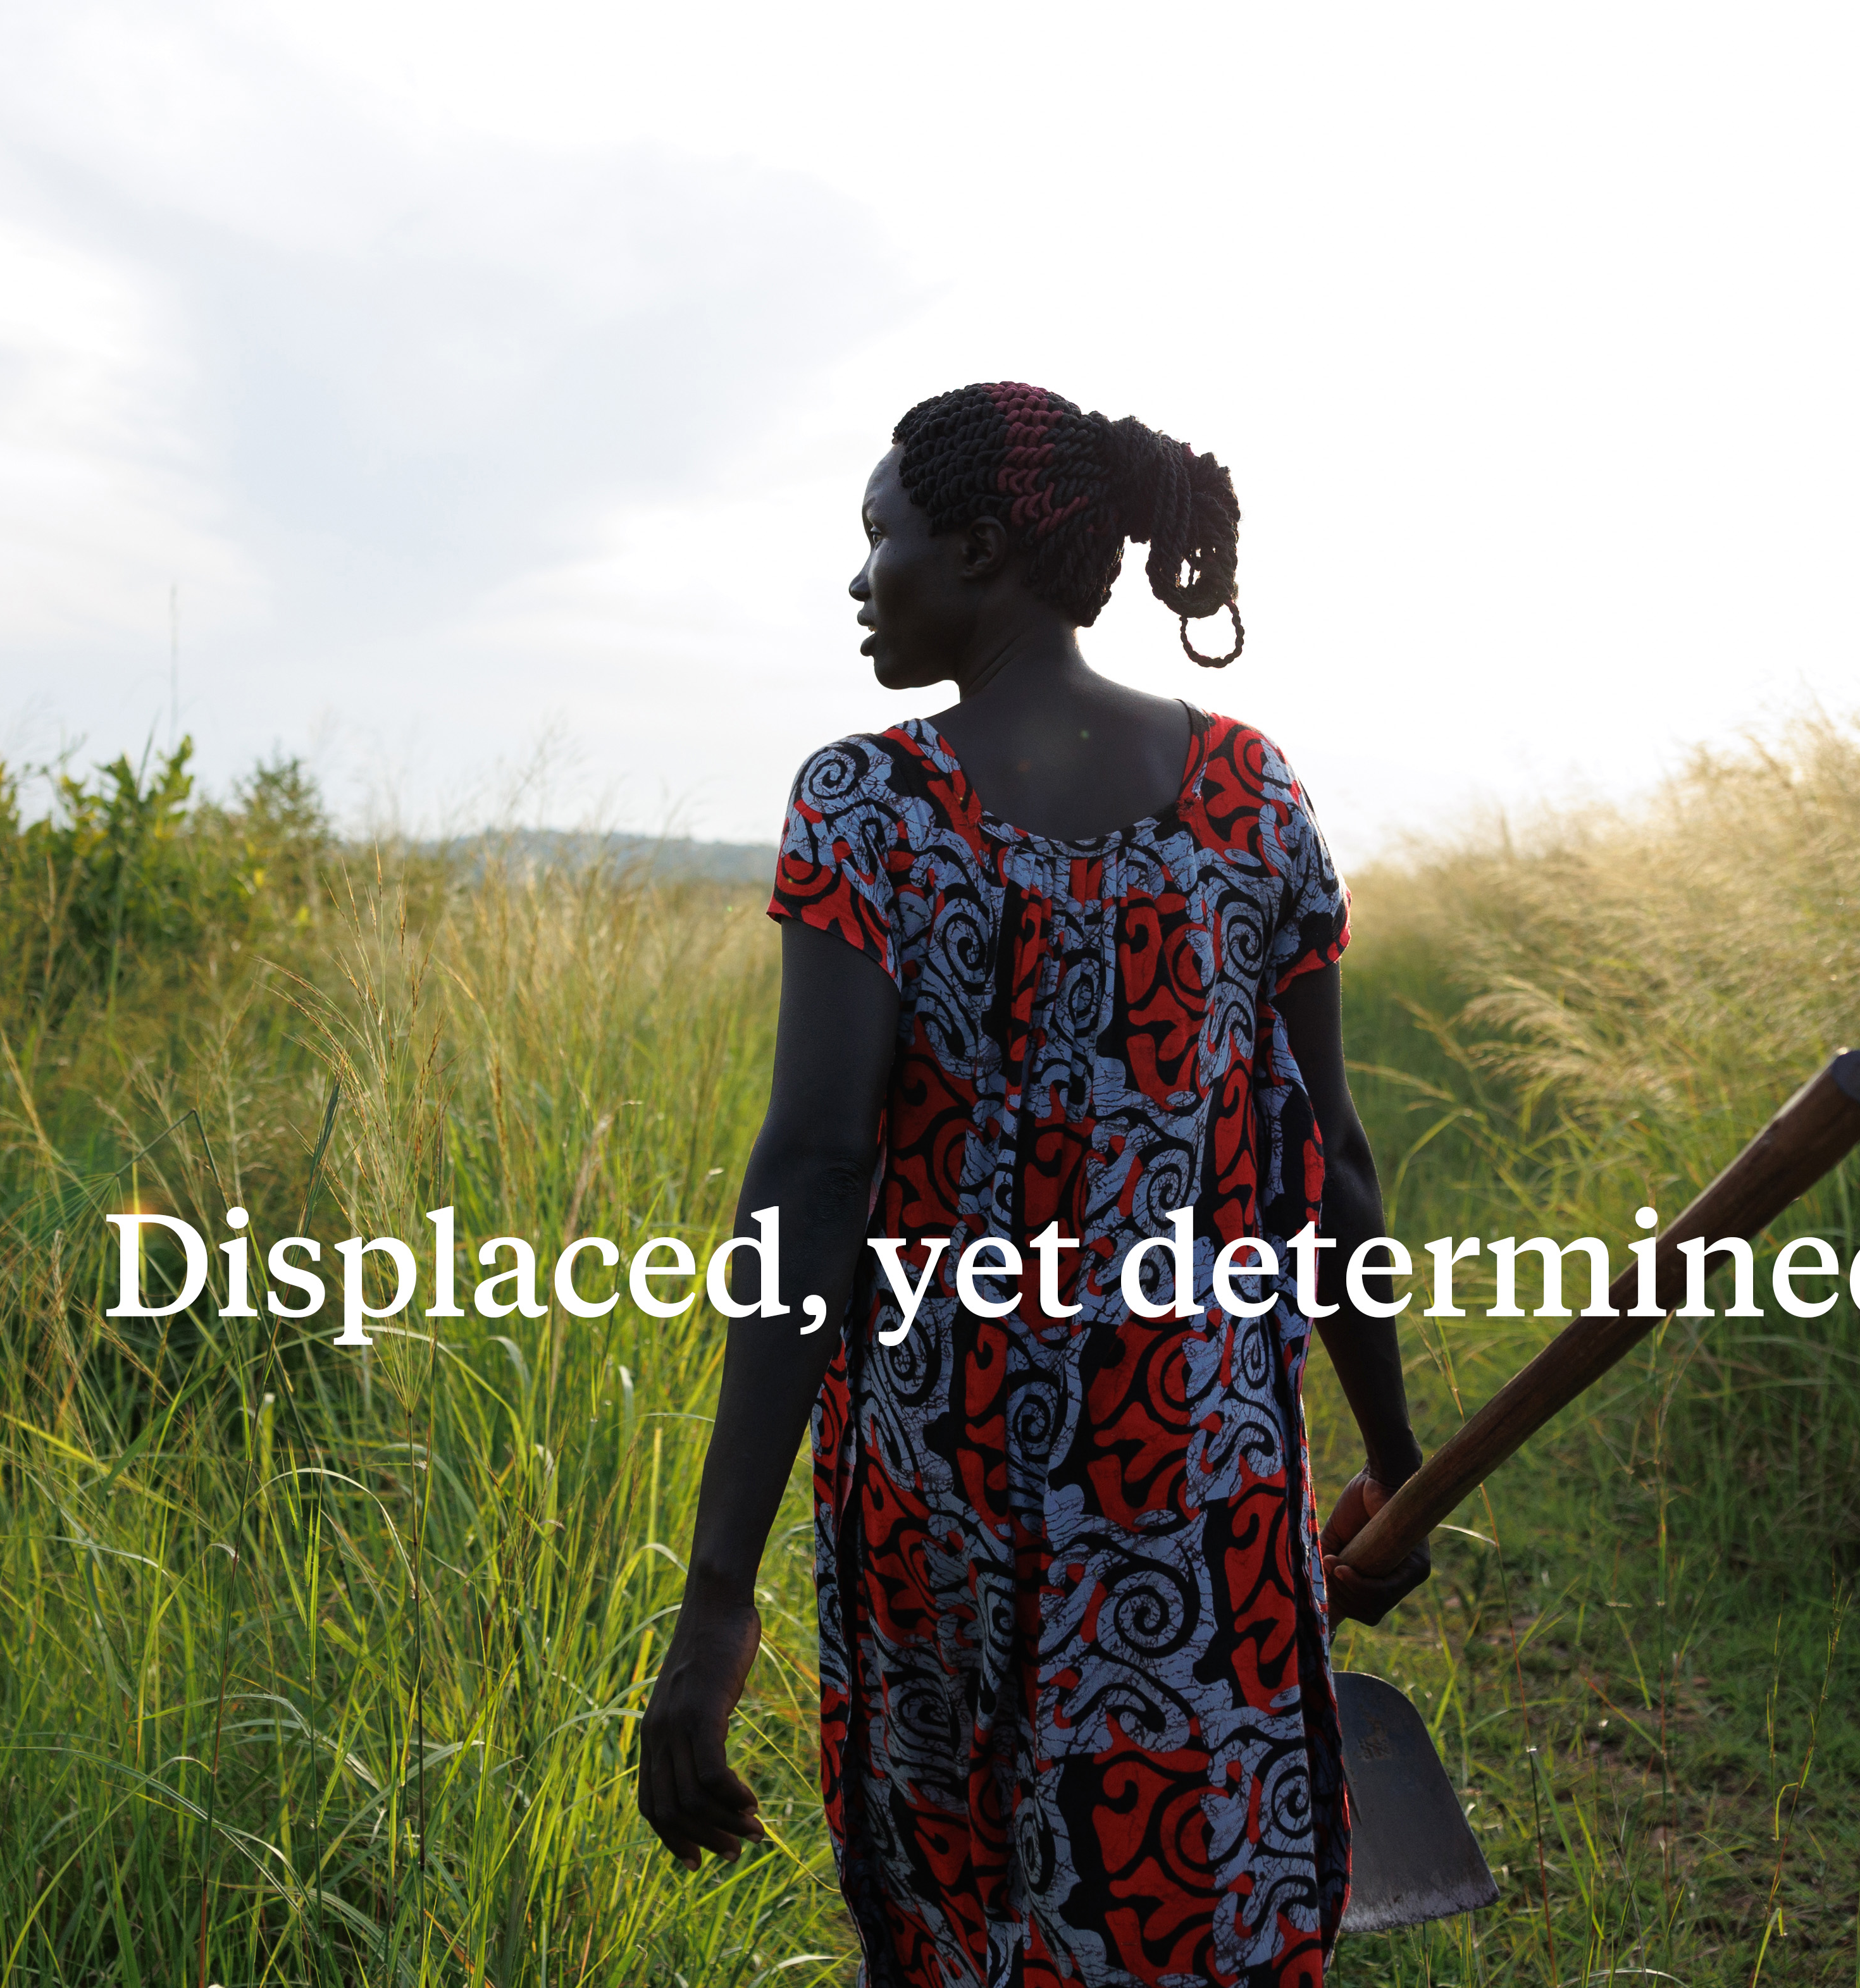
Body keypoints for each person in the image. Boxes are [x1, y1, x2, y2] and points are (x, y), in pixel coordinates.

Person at [636, 381, 1430, 1985]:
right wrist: (1394, 1461)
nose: (860, 582)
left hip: (949, 1506)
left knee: (960, 1915)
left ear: (984, 550)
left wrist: (717, 1599)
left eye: (882, 539)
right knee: (1192, 1898)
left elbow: (811, 1173)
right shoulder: (1248, 793)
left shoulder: (872, 806)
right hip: (1199, 1495)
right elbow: (1329, 1159)